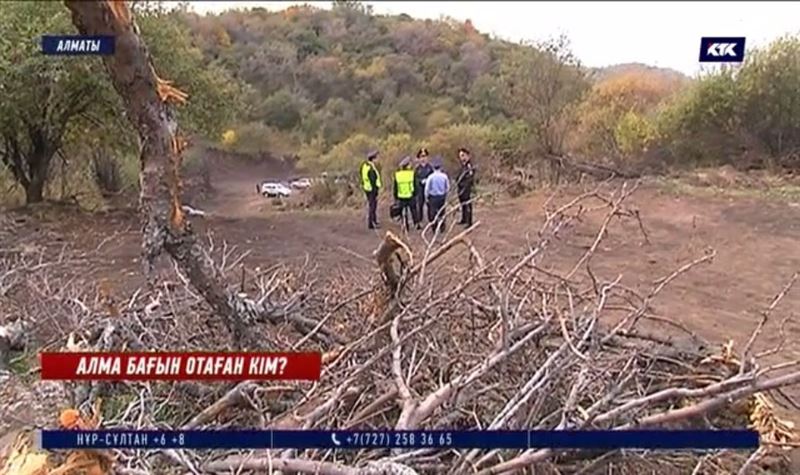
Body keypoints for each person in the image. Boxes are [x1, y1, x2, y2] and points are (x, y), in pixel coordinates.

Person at [424, 156, 450, 233]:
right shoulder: (444, 176)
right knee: (442, 212)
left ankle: (434, 227)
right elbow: (448, 187)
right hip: (442, 196)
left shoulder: (430, 177)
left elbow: (427, 189)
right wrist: (445, 194)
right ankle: (442, 227)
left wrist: (426, 197)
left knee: (433, 212)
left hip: (433, 197)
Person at [393, 156, 416, 232]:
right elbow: (414, 185)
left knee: (403, 212)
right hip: (410, 195)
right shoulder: (411, 174)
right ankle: (416, 223)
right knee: (413, 210)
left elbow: (395, 187)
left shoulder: (398, 175)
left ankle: (405, 225)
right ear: (407, 165)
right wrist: (415, 193)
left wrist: (395, 196)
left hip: (401, 195)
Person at [413, 147, 434, 230]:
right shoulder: (417, 169)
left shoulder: (430, 168)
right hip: (420, 190)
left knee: (430, 206)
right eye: (421, 156)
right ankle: (419, 222)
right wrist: (420, 181)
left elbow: (432, 177)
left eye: (425, 156)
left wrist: (427, 181)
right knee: (419, 205)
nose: (423, 158)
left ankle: (431, 221)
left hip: (428, 190)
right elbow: (415, 179)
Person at [360, 150, 382, 229]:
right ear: (373, 159)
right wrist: (376, 190)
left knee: (371, 205)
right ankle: (372, 222)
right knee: (372, 206)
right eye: (376, 158)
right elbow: (373, 180)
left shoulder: (365, 166)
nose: (377, 160)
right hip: (371, 189)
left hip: (367, 188)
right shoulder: (371, 168)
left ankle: (373, 221)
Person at [456, 147, 476, 227]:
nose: (462, 158)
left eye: (463, 155)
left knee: (468, 205)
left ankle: (469, 222)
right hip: (460, 188)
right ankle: (463, 219)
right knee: (462, 204)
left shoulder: (469, 166)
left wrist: (465, 187)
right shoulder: (462, 166)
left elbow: (470, 178)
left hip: (467, 189)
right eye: (460, 156)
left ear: (467, 156)